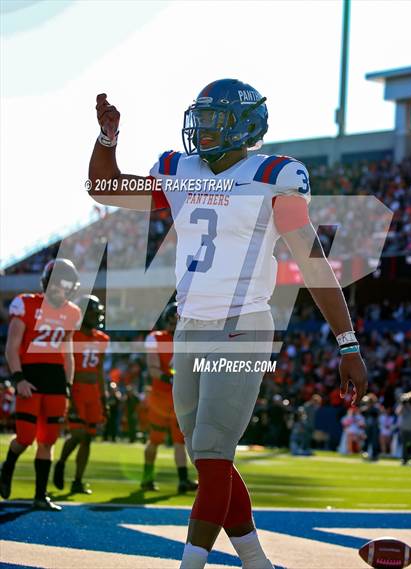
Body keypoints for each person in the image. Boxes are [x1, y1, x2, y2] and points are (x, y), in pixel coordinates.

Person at [88, 79, 368, 569]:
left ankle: (190, 565)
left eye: (216, 118)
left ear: (244, 125)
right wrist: (108, 138)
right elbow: (105, 188)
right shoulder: (180, 168)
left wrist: (347, 344)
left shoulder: (274, 174)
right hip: (191, 324)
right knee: (206, 457)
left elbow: (314, 261)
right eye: (202, 116)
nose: (204, 128)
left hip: (243, 323)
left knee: (214, 453)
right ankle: (257, 562)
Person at [0, 259, 81, 510]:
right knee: (25, 437)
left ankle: (40, 495)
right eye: (59, 285)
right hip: (30, 377)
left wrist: (68, 384)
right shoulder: (26, 303)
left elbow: (68, 353)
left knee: (48, 440)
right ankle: (7, 466)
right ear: (48, 283)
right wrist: (18, 378)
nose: (63, 291)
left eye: (67, 287)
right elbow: (12, 347)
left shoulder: (73, 312)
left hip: (56, 379)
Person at [53, 295, 109, 494]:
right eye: (92, 313)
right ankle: (60, 463)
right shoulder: (72, 335)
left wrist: (104, 398)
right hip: (76, 388)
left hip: (93, 392)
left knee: (88, 438)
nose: (96, 317)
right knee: (78, 433)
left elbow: (100, 370)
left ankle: (78, 480)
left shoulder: (102, 338)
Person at [141, 302, 198, 494]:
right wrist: (172, 376)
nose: (176, 325)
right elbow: (153, 369)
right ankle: (146, 478)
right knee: (155, 439)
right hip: (161, 396)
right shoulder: (155, 338)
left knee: (179, 440)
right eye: (174, 321)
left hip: (179, 396)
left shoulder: (188, 341)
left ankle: (183, 480)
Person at [396, 391, 411, 465]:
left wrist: (410, 406)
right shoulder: (404, 405)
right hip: (404, 428)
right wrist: (403, 404)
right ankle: (404, 459)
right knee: (404, 445)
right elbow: (398, 412)